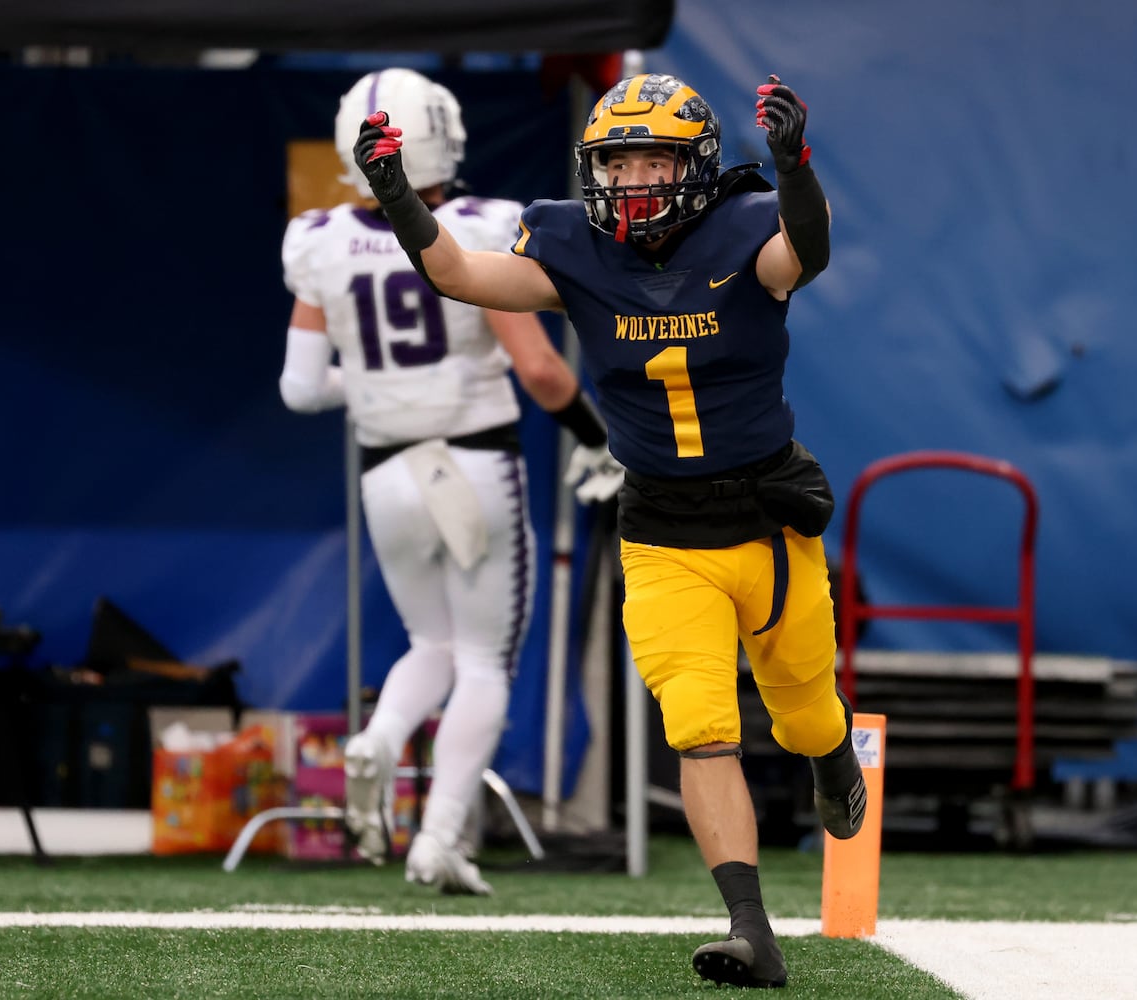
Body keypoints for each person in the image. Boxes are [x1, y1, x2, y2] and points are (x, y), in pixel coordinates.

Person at [349, 71, 866, 987]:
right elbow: (460, 274)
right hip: (663, 532)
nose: (630, 181)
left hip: (766, 520)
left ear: (697, 167)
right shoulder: (570, 247)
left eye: (651, 160)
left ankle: (830, 759)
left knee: (802, 710)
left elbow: (807, 254)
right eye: (615, 163)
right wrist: (398, 201)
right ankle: (751, 930)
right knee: (699, 728)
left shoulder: (748, 228)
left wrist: (793, 170)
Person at [278, 68, 622, 896]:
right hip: (473, 462)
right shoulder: (478, 226)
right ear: (445, 133)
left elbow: (298, 389)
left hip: (386, 470)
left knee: (427, 644)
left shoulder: (318, 237)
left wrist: (369, 386)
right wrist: (596, 440)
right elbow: (538, 369)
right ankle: (437, 841)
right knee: (483, 661)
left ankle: (383, 735)